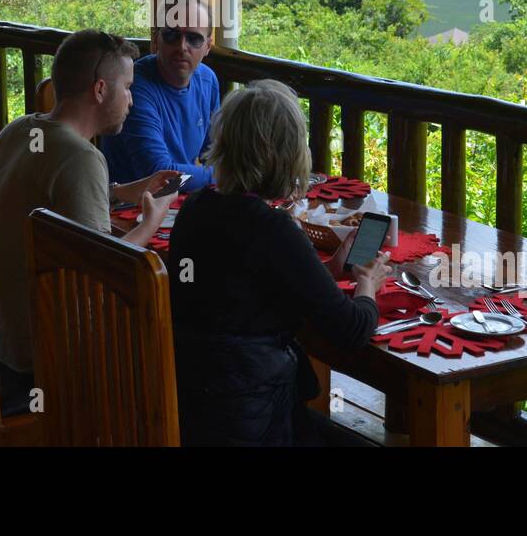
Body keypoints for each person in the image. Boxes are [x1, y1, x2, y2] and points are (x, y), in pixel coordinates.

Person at [168, 79, 393, 446]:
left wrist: (332, 268)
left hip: (199, 412)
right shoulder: (271, 228)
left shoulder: (196, 208)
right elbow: (351, 331)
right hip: (257, 422)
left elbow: (244, 283)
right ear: (285, 153)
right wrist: (368, 284)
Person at [0, 29, 178, 393]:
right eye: (128, 88)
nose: (132, 101)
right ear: (100, 90)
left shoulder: (20, 129)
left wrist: (122, 192)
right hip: (41, 355)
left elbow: (44, 199)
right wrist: (150, 224)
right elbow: (100, 270)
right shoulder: (81, 157)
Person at [102, 0, 220, 191]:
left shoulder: (207, 81)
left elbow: (216, 153)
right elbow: (158, 175)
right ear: (156, 39)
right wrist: (223, 176)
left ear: (207, 46)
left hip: (178, 202)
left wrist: (219, 174)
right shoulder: (135, 86)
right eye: (172, 35)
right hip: (128, 209)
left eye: (194, 39)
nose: (182, 47)